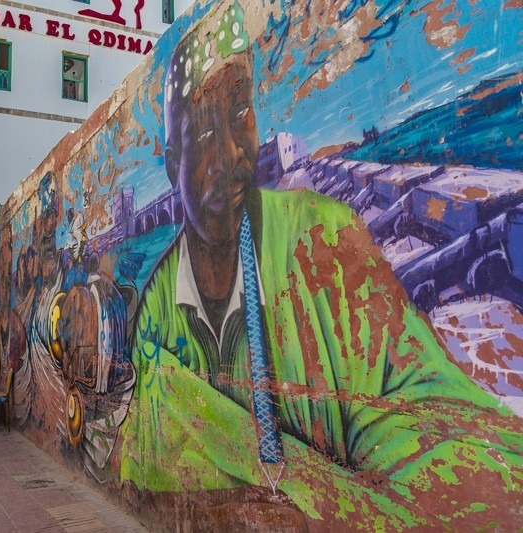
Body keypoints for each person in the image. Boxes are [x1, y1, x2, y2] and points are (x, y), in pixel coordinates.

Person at [116, 0, 523, 528]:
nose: (236, 155)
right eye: (205, 133)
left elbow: (429, 412)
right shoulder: (155, 310)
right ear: (173, 164)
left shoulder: (323, 244)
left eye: (241, 113)